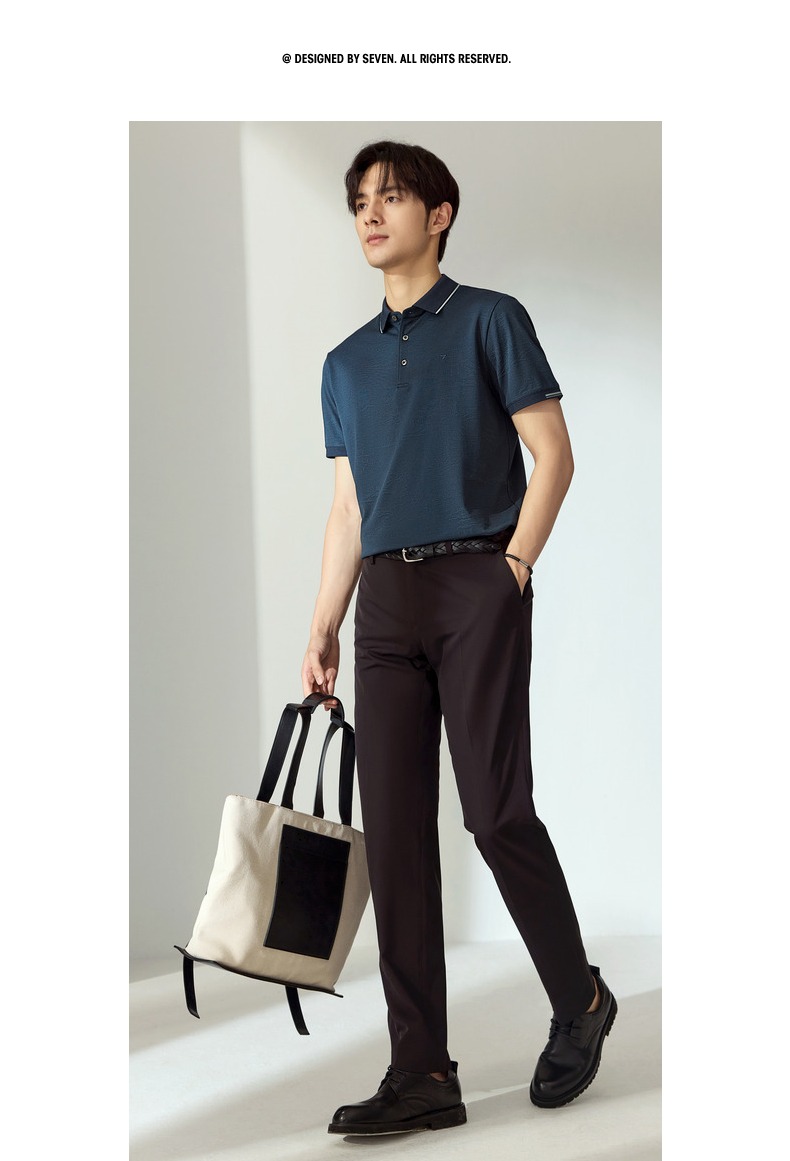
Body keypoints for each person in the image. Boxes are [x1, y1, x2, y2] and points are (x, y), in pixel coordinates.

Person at [300, 140, 617, 1136]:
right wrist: (323, 622)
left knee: (494, 811)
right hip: (384, 609)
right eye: (359, 200)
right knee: (395, 837)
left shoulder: (489, 319)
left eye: (390, 196)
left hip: (476, 581)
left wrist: (510, 570)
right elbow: (348, 507)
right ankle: (422, 1072)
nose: (369, 213)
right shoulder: (343, 363)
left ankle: (580, 997)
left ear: (439, 214)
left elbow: (552, 453)